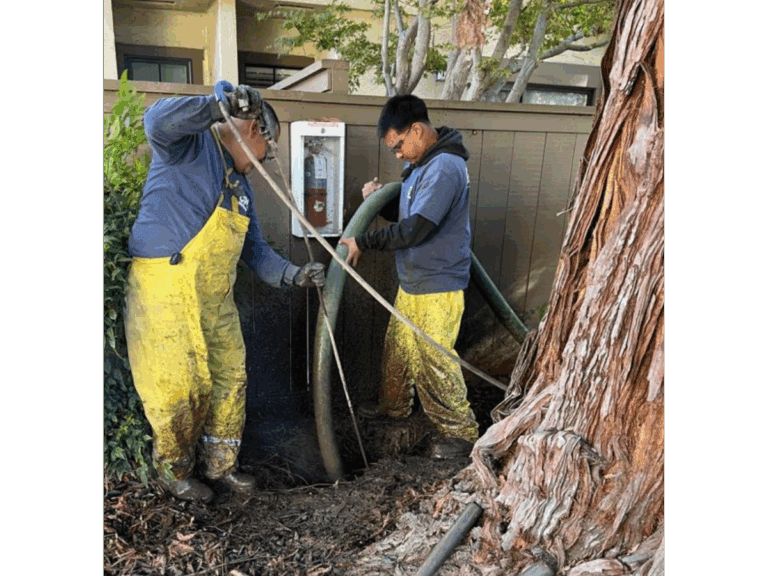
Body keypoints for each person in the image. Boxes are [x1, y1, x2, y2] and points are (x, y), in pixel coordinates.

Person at [124, 81, 326, 503]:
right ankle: (175, 472)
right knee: (177, 387)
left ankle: (221, 468)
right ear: (251, 131)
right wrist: (218, 105)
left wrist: (294, 275)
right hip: (166, 292)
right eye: (268, 148)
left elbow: (255, 251)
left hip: (215, 301)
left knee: (230, 380)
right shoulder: (188, 146)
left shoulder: (243, 190)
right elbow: (155, 119)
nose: (268, 159)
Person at [339, 94, 479, 460]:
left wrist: (363, 242)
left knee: (435, 361)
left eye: (399, 145)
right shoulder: (421, 168)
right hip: (415, 282)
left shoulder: (445, 166)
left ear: (416, 129)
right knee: (398, 351)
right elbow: (408, 217)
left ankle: (460, 434)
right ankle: (394, 410)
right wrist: (378, 200)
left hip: (438, 285)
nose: (398, 154)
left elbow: (416, 229)